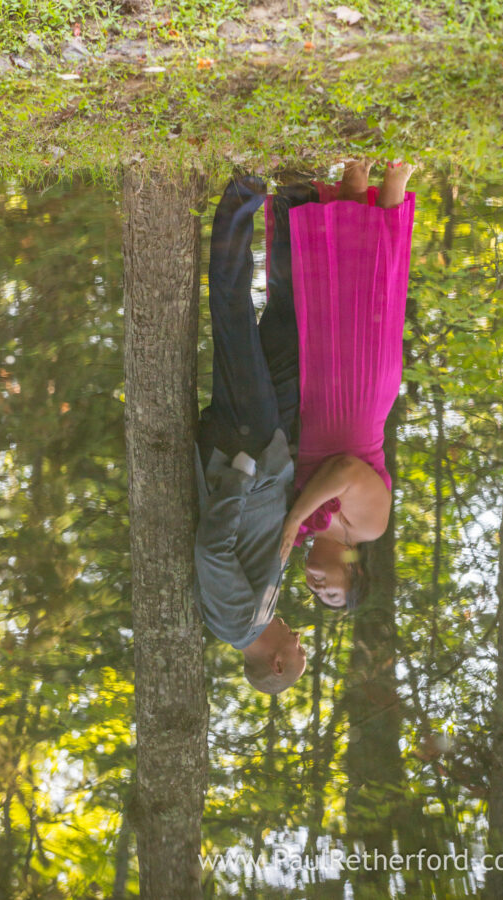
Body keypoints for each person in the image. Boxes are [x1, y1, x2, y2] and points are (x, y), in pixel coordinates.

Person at [277, 160, 416, 609]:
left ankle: (353, 174)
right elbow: (346, 470)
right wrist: (295, 515)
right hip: (360, 389)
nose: (319, 588)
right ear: (353, 570)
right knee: (371, 285)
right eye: (333, 591)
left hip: (317, 385)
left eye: (317, 595)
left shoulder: (303, 529)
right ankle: (397, 175)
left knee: (329, 288)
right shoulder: (368, 528)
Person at [194, 174, 307, 693]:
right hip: (269, 445)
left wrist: (240, 476)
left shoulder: (235, 624)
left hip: (246, 448)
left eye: (299, 653)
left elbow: (214, 550)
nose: (301, 642)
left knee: (233, 315)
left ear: (277, 665)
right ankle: (290, 198)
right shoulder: (260, 615)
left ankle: (243, 195)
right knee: (288, 326)